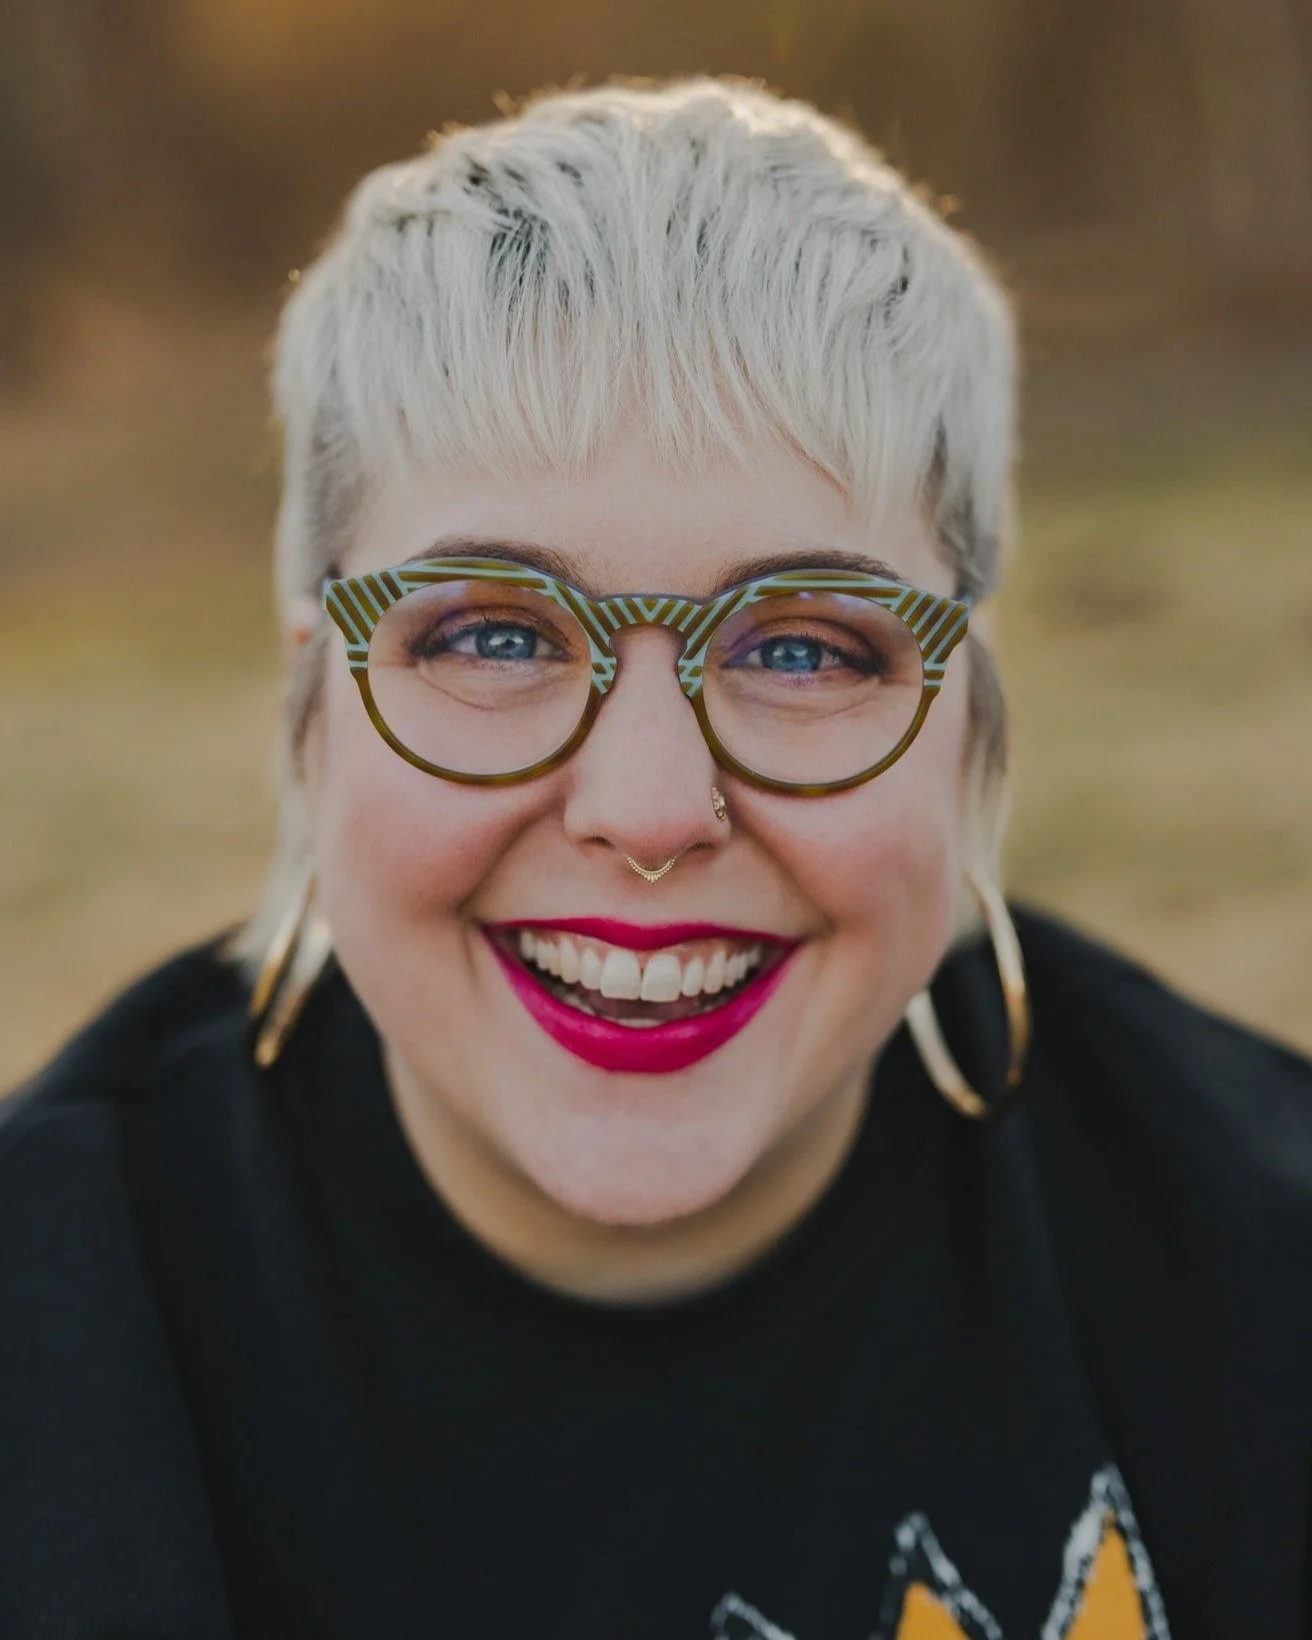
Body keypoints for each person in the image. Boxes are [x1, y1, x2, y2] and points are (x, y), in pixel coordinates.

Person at [1, 77, 1309, 1640]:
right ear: (311, 714)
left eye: (807, 648)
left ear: (969, 722)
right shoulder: (53, 1344)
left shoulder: (1260, 1265)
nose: (649, 808)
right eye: (492, 635)